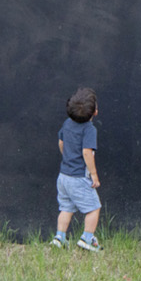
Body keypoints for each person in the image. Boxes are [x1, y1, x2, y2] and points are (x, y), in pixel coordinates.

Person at [53, 86, 103, 251]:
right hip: (79, 177)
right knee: (94, 208)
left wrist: (66, 156)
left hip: (63, 176)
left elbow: (61, 143)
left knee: (66, 208)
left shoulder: (67, 123)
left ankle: (60, 237)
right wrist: (94, 175)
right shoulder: (89, 130)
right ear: (95, 112)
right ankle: (87, 238)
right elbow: (87, 152)